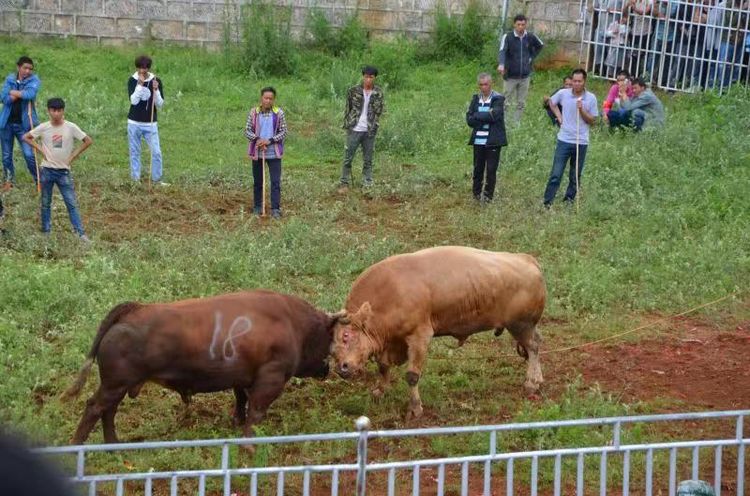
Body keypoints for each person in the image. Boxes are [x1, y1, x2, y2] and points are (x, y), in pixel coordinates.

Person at [23, 98, 92, 242]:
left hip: (63, 172)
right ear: (48, 111)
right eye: (53, 110)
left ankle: (80, 234)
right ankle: (46, 232)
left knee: (71, 203)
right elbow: (27, 137)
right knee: (45, 202)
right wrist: (41, 149)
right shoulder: (44, 127)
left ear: (63, 111)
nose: (56, 113)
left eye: (59, 110)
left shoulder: (71, 127)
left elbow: (87, 141)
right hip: (47, 170)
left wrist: (73, 156)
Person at [543, 68, 598, 208]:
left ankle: (569, 201)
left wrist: (581, 110)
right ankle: (547, 202)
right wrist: (559, 116)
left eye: (580, 81)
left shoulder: (591, 98)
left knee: (575, 175)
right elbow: (551, 102)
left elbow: (592, 121)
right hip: (564, 140)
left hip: (581, 141)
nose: (577, 84)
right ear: (571, 81)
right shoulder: (563, 93)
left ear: (585, 82)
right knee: (556, 173)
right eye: (574, 81)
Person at [339, 65, 385, 192]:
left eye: (371, 77)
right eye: (366, 77)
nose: (368, 80)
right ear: (362, 77)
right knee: (348, 157)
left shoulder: (378, 93)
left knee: (368, 159)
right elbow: (347, 109)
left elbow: (379, 110)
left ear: (375, 78)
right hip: (354, 128)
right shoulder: (353, 91)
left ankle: (367, 183)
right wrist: (347, 125)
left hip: (369, 130)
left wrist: (374, 123)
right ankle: (344, 183)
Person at [244, 86, 287, 220]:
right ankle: (257, 206)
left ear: (273, 100)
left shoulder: (279, 113)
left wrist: (269, 141)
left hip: (274, 154)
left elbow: (284, 132)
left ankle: (275, 209)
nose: (268, 101)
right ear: (261, 98)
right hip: (258, 153)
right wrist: (257, 140)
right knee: (258, 182)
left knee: (275, 182)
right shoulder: (253, 113)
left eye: (270, 98)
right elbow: (247, 131)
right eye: (265, 98)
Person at [466, 73, 507, 204]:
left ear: (491, 84)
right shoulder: (475, 98)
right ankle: (476, 195)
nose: (483, 87)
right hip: (478, 140)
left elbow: (494, 116)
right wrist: (485, 115)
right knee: (477, 168)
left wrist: (477, 115)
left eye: (486, 84)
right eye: (481, 84)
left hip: (493, 141)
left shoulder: (498, 98)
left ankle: (488, 198)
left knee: (490, 170)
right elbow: (469, 119)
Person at [0, 56, 40, 190]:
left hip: (24, 125)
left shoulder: (34, 80)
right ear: (18, 67)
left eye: (30, 69)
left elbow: (29, 94)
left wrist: (12, 92)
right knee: (6, 155)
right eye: (25, 68)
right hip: (7, 124)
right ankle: (9, 181)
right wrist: (19, 93)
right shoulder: (10, 79)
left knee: (29, 155)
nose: (28, 71)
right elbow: (4, 98)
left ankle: (39, 180)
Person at [127, 54, 167, 186]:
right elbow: (133, 101)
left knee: (156, 152)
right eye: (139, 68)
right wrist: (139, 85)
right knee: (135, 151)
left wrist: (156, 91)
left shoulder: (156, 80)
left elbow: (160, 104)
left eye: (144, 68)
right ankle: (135, 180)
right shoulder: (132, 80)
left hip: (150, 124)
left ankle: (156, 180)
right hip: (134, 123)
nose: (141, 71)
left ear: (148, 68)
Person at [497, 14, 544, 124]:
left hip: (525, 76)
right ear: (514, 25)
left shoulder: (530, 36)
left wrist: (531, 57)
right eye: (518, 24)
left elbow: (540, 45)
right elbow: (502, 51)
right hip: (510, 76)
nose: (521, 27)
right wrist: (502, 64)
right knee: (505, 101)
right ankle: (504, 123)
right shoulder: (508, 37)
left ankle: (516, 123)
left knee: (521, 103)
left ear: (526, 24)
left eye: (523, 24)